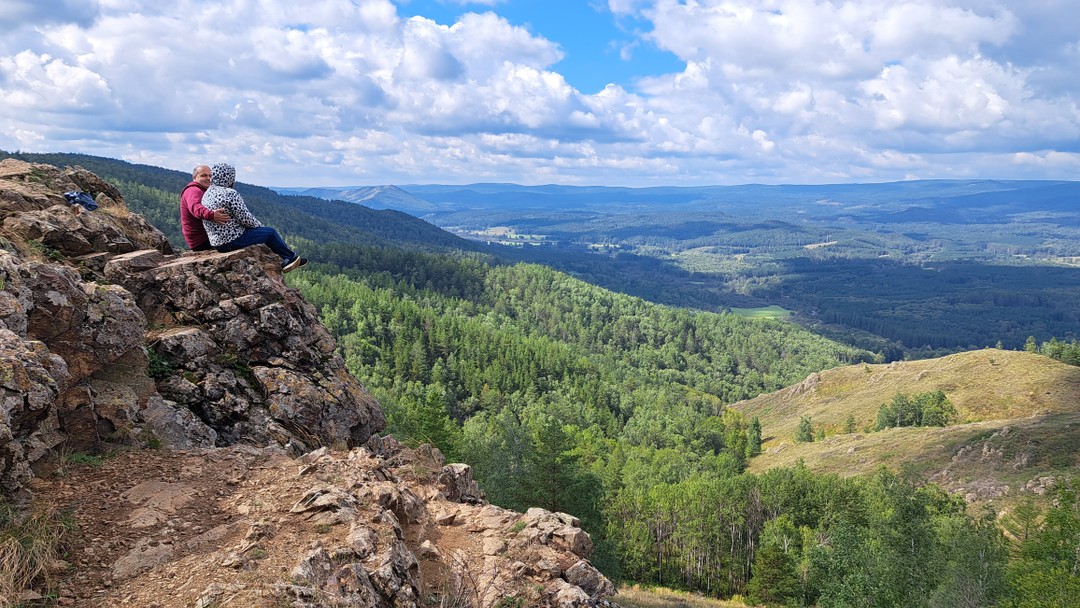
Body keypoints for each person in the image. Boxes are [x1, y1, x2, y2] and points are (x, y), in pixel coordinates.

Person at [200, 162, 307, 272]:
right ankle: (290, 258)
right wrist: (260, 228)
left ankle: (289, 258)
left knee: (265, 234)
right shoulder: (229, 193)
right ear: (229, 177)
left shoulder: (207, 194)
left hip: (217, 243)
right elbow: (245, 218)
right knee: (270, 233)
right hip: (231, 240)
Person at [179, 164, 230, 251]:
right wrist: (212, 215)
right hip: (201, 241)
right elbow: (196, 208)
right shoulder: (193, 190)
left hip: (205, 237)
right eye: (203, 175)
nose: (208, 178)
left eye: (210, 175)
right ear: (195, 178)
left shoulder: (203, 190)